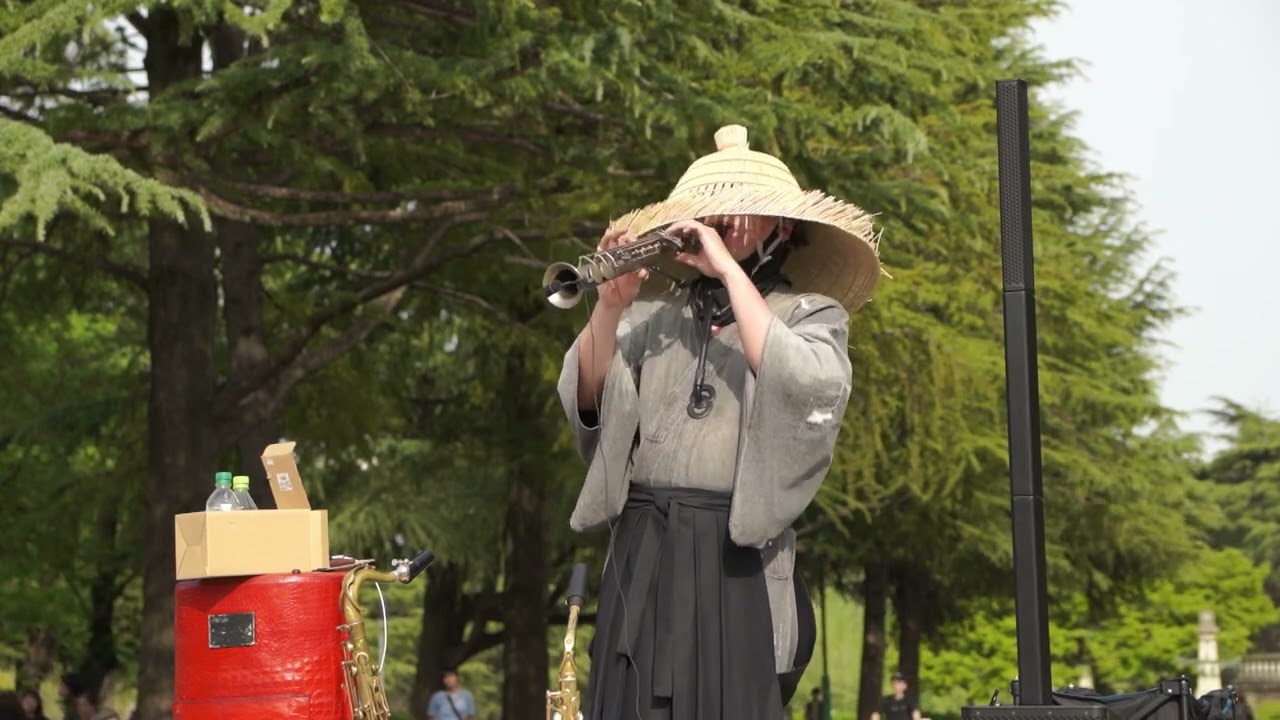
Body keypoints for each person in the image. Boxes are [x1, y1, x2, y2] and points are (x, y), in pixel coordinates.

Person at [557, 123, 881, 720]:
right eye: (711, 211)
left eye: (743, 211)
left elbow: (804, 385)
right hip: (645, 546)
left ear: (784, 229)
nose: (723, 220)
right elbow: (591, 400)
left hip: (736, 555)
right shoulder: (654, 314)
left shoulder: (811, 314)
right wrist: (609, 306)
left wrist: (730, 271)